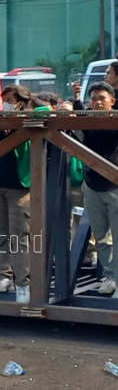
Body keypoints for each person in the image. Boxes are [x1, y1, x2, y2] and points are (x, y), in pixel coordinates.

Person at [0, 84, 32, 303]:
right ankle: (4, 276)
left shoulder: (30, 119)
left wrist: (21, 114)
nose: (6, 103)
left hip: (19, 188)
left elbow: (44, 111)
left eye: (11, 99)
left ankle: (23, 282)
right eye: (3, 99)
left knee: (20, 235)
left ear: (22, 102)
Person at [77, 82, 118, 296]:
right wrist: (76, 102)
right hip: (92, 184)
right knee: (102, 236)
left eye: (102, 98)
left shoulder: (115, 120)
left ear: (112, 101)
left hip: (114, 185)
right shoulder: (88, 122)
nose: (97, 102)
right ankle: (110, 277)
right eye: (93, 99)